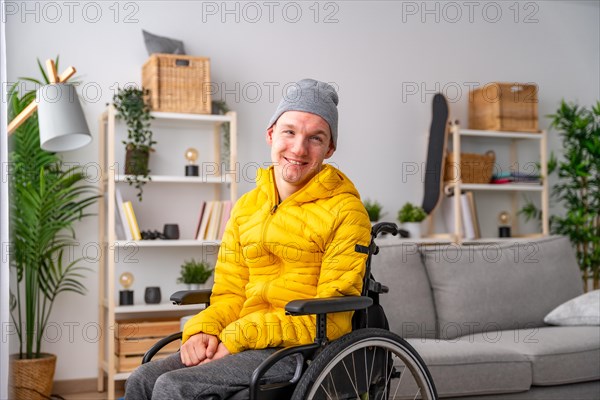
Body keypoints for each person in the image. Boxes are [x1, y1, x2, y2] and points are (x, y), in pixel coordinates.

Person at [125, 78, 372, 399]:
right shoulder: (246, 207)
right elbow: (229, 292)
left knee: (175, 387)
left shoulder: (346, 211)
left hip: (298, 349)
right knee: (142, 379)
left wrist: (236, 338)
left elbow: (333, 320)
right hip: (240, 337)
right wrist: (204, 330)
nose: (299, 148)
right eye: (290, 132)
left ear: (330, 149)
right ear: (271, 134)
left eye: (316, 138)